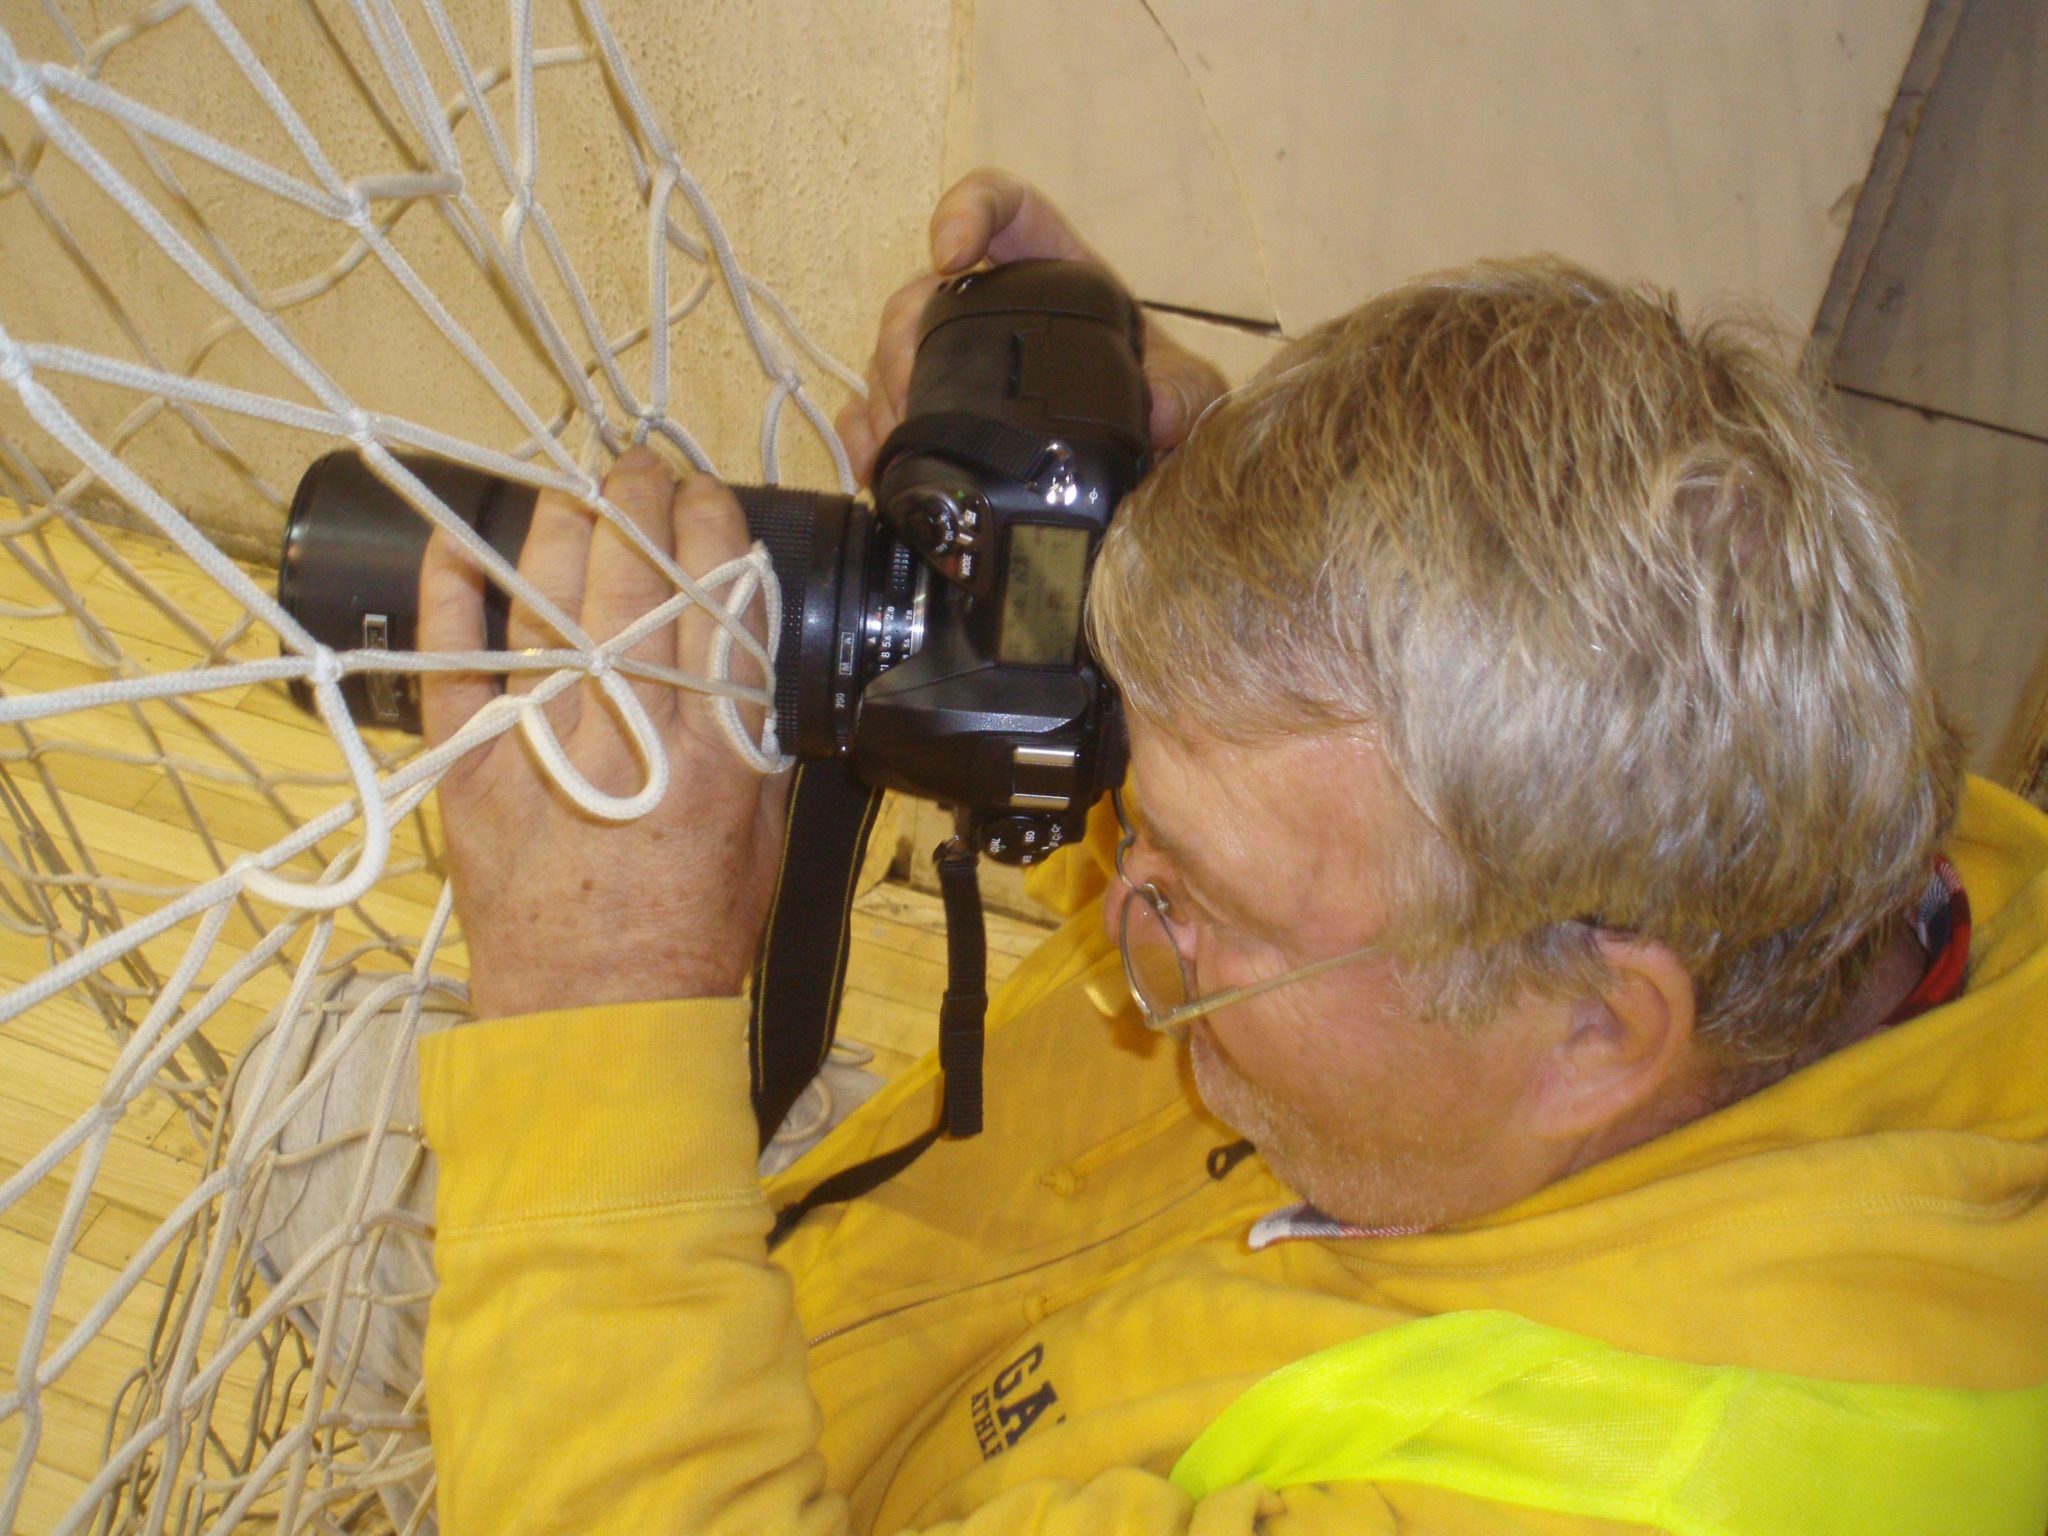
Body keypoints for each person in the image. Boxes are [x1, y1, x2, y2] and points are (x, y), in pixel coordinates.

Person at [406, 171, 2048, 1532]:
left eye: (1198, 900)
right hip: (852, 1315)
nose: (1118, 908)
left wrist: (599, 1008)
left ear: (1599, 1030)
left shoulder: (1649, 1484)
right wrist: (1110, 565)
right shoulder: (1797, 818)